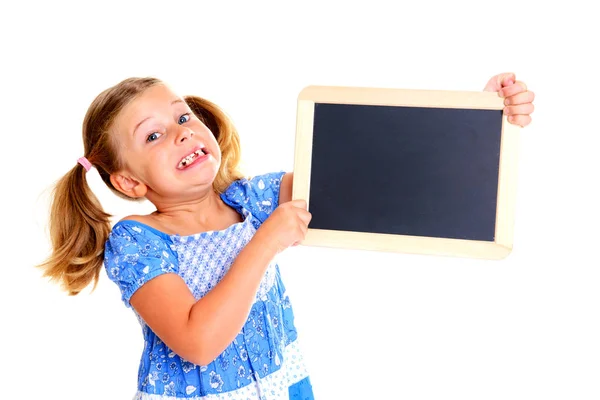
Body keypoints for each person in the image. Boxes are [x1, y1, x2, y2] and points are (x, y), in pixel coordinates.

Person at [37, 73, 534, 399]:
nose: (183, 132)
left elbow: (366, 174)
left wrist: (480, 115)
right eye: (154, 134)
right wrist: (265, 242)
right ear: (128, 182)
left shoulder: (249, 201)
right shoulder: (137, 241)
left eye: (183, 116)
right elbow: (197, 341)